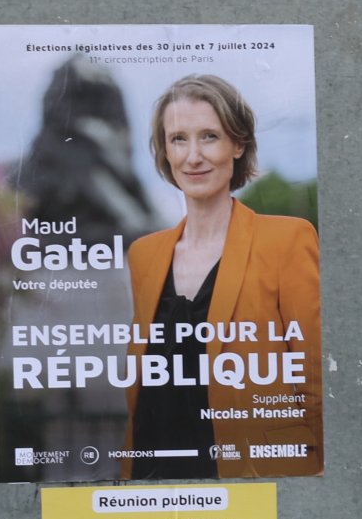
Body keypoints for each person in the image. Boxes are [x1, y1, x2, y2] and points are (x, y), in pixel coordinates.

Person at [122, 74, 322, 480]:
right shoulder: (145, 255)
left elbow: (313, 373)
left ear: (238, 144)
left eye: (209, 136)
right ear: (164, 151)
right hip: (152, 471)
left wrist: (320, 473)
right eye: (178, 139)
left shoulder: (287, 240)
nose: (193, 156)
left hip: (252, 476)